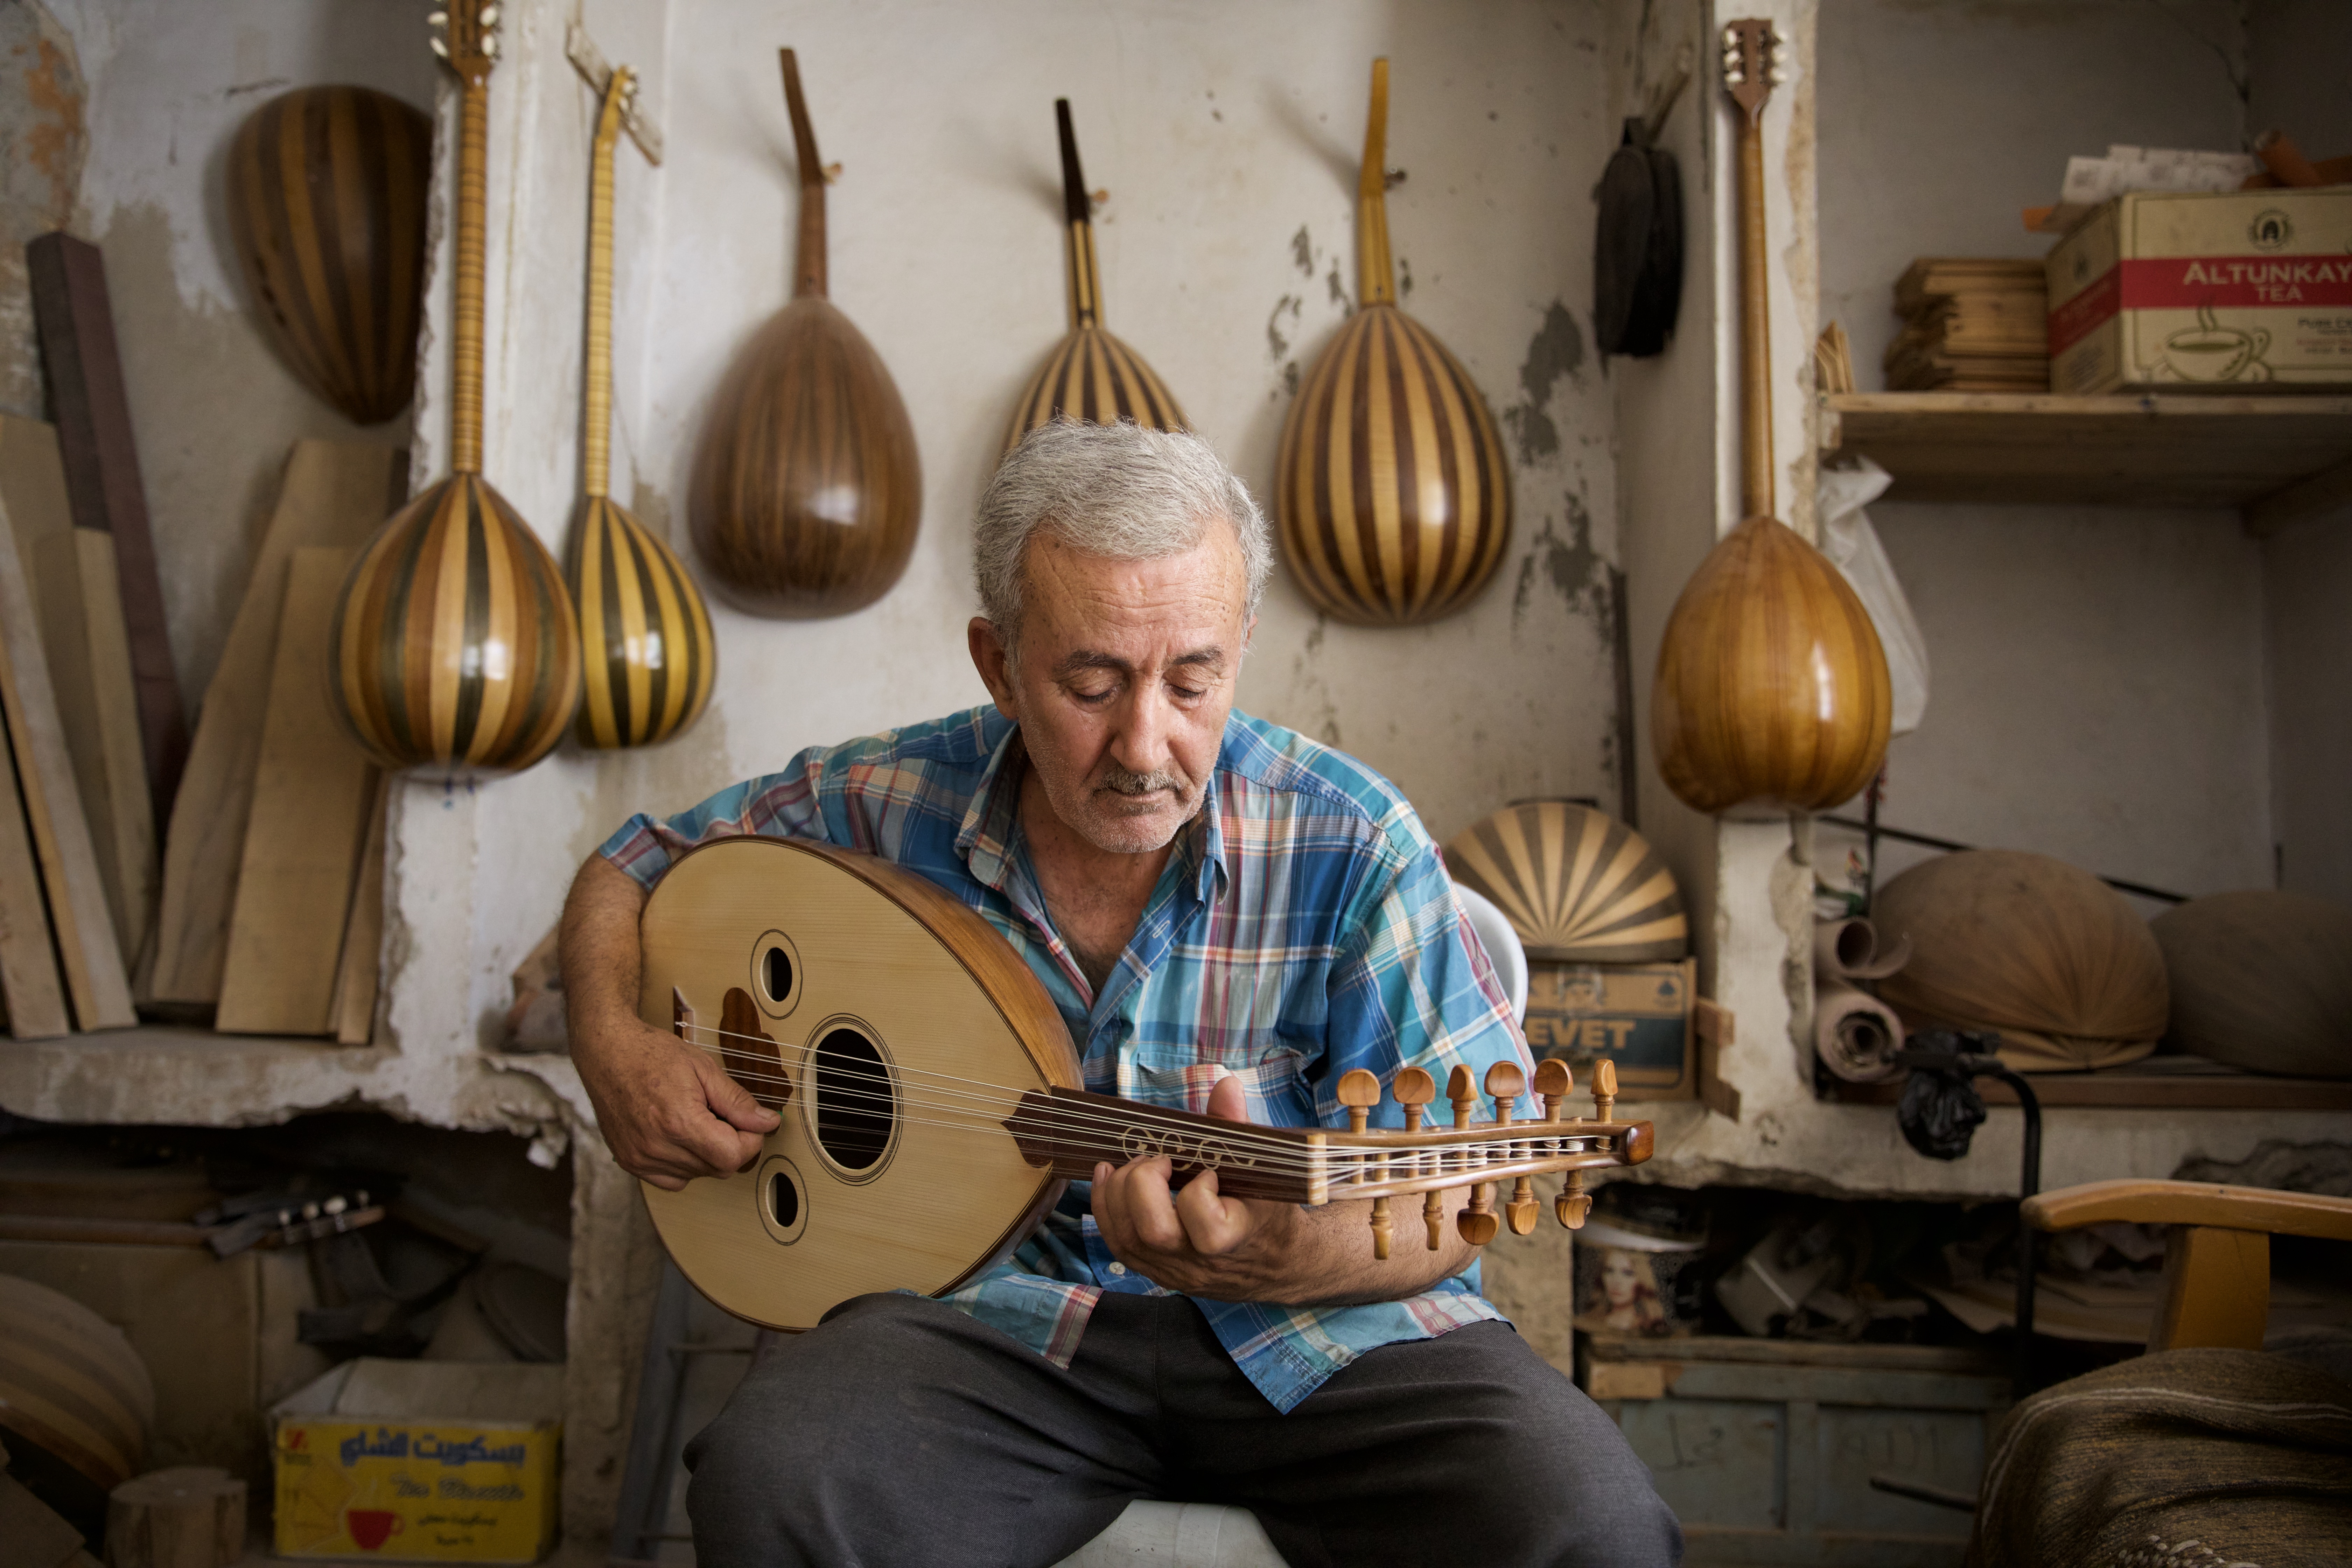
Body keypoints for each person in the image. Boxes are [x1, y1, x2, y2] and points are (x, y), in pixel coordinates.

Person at [560, 421, 1681, 1568]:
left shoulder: (1352, 838)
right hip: (985, 1332)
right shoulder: (889, 798)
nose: (1146, 745)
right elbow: (633, 862)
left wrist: (1283, 1260)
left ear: (1241, 644)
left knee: (1588, 1525)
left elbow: (1458, 1184)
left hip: (1329, 1343)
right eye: (1091, 684)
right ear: (998, 664)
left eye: (1194, 681)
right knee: (774, 1483)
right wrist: (612, 1044)